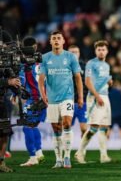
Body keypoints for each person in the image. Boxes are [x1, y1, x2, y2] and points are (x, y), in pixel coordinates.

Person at [38, 31, 83, 169]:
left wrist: (80, 96)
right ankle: (58, 159)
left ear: (63, 41)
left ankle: (67, 157)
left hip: (67, 97)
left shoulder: (70, 57)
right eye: (54, 39)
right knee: (56, 128)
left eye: (59, 38)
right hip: (52, 99)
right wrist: (43, 95)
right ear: (50, 42)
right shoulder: (45, 58)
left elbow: (78, 78)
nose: (56, 40)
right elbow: (41, 80)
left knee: (67, 123)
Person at [75, 40, 112, 164]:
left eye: (103, 49)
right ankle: (79, 153)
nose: (101, 52)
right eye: (99, 49)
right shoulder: (91, 63)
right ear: (96, 51)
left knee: (104, 127)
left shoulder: (107, 65)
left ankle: (103, 156)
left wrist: (109, 82)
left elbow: (103, 79)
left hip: (105, 96)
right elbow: (87, 82)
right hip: (95, 97)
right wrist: (97, 96)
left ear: (107, 51)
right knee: (94, 127)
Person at [19, 36, 46, 167]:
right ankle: (39, 152)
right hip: (46, 99)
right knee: (33, 126)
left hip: (34, 99)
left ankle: (33, 157)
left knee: (27, 127)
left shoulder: (24, 64)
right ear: (35, 47)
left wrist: (15, 93)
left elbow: (21, 80)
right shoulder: (43, 62)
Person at [0, 77, 21, 172]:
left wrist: (17, 92)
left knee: (4, 133)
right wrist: (7, 82)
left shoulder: (7, 65)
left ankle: (1, 163)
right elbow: (8, 81)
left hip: (3, 101)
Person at [67, 45, 88, 137]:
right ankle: (67, 149)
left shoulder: (85, 66)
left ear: (79, 54)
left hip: (83, 102)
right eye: (72, 52)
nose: (74, 54)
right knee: (67, 127)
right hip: (68, 101)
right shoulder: (63, 67)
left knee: (84, 128)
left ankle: (82, 149)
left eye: (76, 52)